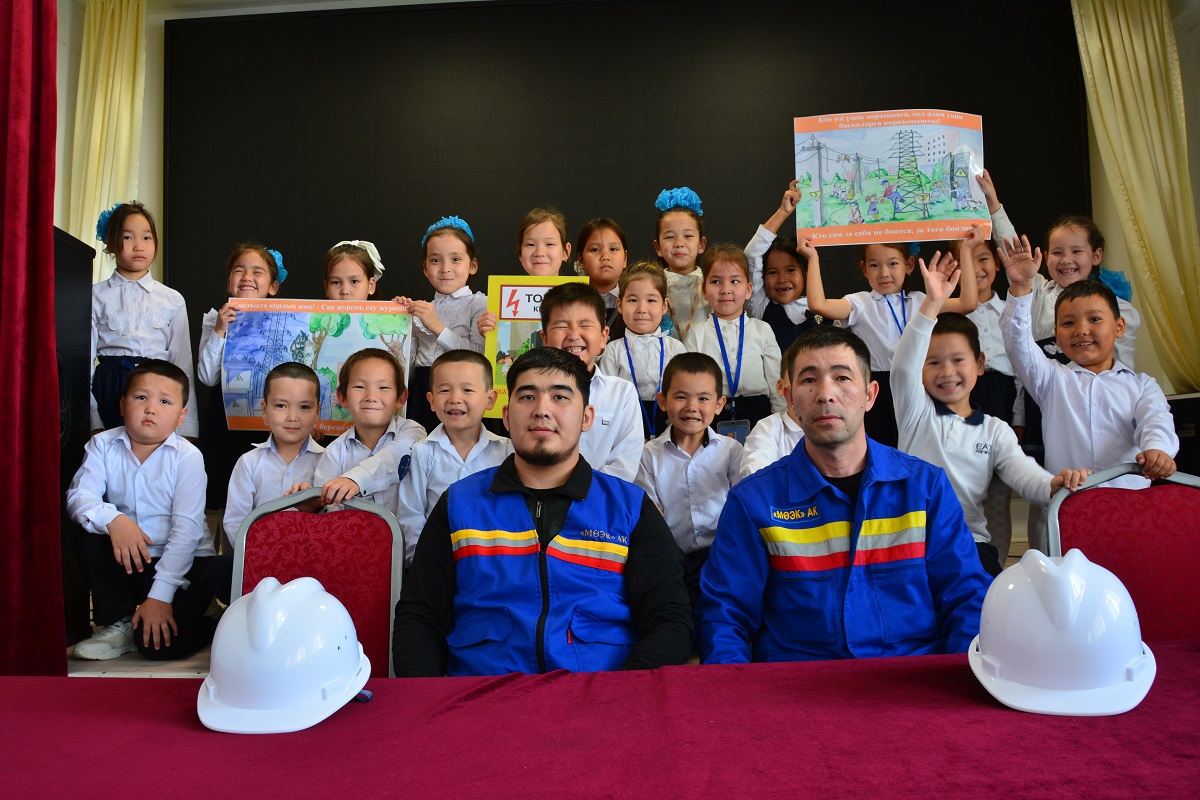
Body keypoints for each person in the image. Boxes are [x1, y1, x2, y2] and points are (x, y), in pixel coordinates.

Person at [695, 326, 991, 663]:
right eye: (809, 380)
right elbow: (724, 617)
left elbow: (966, 598)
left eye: (842, 377)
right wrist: (737, 691)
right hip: (798, 683)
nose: (825, 394)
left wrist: (957, 681)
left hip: (912, 677)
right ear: (790, 400)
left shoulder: (926, 488)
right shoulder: (753, 502)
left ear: (870, 395)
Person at [393, 346, 693, 676]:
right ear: (507, 416)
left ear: (587, 417)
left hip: (599, 695)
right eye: (527, 397)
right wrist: (434, 700)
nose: (541, 410)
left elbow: (670, 620)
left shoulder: (630, 508)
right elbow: (420, 617)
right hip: (481, 695)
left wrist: (618, 692)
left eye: (560, 397)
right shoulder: (459, 504)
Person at [891, 239, 1091, 576]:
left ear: (980, 364)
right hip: (911, 545)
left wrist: (1052, 484)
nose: (947, 372)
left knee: (984, 599)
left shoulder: (995, 431)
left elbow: (1023, 474)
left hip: (969, 544)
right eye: (933, 362)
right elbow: (902, 368)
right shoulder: (915, 413)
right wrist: (932, 304)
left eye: (958, 360)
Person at [998, 235, 1179, 552]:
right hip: (1067, 513)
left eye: (1094, 319)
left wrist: (1158, 449)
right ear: (1056, 334)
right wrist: (1021, 287)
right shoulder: (1051, 378)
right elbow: (1018, 345)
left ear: (1119, 327)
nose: (1081, 330)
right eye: (1068, 323)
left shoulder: (1142, 385)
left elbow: (1156, 420)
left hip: (1131, 508)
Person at [66, 359, 217, 660]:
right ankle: (120, 622)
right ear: (123, 405)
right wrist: (115, 519)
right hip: (132, 557)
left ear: (181, 416)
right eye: (141, 397)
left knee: (157, 647)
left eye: (164, 401)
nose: (150, 409)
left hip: (184, 562)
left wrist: (160, 597)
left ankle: (209, 619)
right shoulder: (102, 445)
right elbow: (78, 497)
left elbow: (186, 533)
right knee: (89, 537)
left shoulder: (187, 456)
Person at [805, 239, 978, 448]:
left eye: (893, 263)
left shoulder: (922, 302)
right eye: (874, 265)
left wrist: (967, 251)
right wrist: (812, 258)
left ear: (909, 265)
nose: (884, 273)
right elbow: (819, 305)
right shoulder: (859, 303)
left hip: (919, 386)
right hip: (877, 389)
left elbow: (968, 303)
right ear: (864, 269)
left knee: (920, 448)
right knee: (879, 448)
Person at [203, 362, 325, 604]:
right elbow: (235, 522)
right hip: (259, 560)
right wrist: (263, 555)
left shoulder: (328, 460)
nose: (292, 417)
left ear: (317, 411)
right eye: (281, 406)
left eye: (304, 407)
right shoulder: (249, 462)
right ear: (264, 410)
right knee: (219, 569)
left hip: (311, 563)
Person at [635, 352, 742, 607]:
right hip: (673, 559)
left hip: (722, 555)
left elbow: (742, 506)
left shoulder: (731, 450)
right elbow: (652, 515)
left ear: (719, 404)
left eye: (703, 398)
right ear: (663, 401)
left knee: (723, 607)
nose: (691, 407)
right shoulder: (648, 455)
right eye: (681, 397)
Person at [90, 201, 199, 437]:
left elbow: (182, 363)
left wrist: (187, 426)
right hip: (109, 386)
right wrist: (92, 421)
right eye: (128, 237)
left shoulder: (172, 299)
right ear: (111, 243)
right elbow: (84, 364)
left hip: (158, 387)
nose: (138, 246)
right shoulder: (95, 295)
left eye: (147, 238)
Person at [394, 350, 512, 567]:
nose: (455, 399)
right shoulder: (422, 452)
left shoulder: (507, 452)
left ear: (490, 399)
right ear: (431, 401)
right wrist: (425, 563)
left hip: (495, 565)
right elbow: (411, 516)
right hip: (436, 565)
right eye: (444, 390)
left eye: (467, 390)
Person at [195, 243, 283, 513]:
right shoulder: (216, 320)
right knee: (224, 489)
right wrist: (220, 331)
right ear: (229, 282)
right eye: (239, 270)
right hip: (225, 419)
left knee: (265, 491)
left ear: (273, 287)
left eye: (257, 271)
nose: (247, 277)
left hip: (270, 421)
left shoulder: (285, 319)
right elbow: (207, 377)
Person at [539, 281, 643, 480]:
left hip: (603, 496)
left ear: (604, 337)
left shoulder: (622, 394)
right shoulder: (533, 394)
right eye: (561, 326)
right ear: (544, 338)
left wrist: (582, 491)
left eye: (585, 325)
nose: (573, 335)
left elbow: (625, 464)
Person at [393, 216, 488, 433]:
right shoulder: (422, 308)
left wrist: (437, 327)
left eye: (455, 259)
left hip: (460, 388)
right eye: (435, 260)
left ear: (472, 265)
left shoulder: (479, 303)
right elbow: (409, 368)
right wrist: (399, 322)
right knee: (418, 442)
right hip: (421, 390)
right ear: (425, 268)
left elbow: (480, 355)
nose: (445, 268)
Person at [309, 348, 426, 517]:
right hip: (351, 533)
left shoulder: (413, 432)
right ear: (342, 397)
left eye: (383, 387)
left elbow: (394, 457)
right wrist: (313, 503)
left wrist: (355, 480)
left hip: (407, 534)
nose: (371, 396)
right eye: (359, 386)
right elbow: (328, 511)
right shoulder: (334, 452)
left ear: (401, 397)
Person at [683, 243, 785, 432]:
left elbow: (775, 379)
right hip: (711, 413)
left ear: (748, 289)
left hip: (759, 413)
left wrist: (780, 421)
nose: (725, 289)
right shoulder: (697, 333)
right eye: (716, 282)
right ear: (704, 290)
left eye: (735, 281)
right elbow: (690, 382)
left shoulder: (762, 330)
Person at [597, 261, 687, 439]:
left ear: (664, 306)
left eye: (651, 300)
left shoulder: (675, 348)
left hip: (671, 427)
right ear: (620, 305)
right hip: (625, 427)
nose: (641, 309)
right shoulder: (613, 350)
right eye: (632, 300)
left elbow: (684, 394)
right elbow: (608, 399)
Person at [745, 180, 822, 352]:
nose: (782, 279)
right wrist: (783, 212)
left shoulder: (822, 307)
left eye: (791, 270)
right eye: (772, 272)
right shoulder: (760, 307)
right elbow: (751, 254)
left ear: (806, 273)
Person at [475, 206, 574, 337]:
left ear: (566, 251)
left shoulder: (580, 299)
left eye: (549, 244)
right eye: (530, 245)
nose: (539, 252)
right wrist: (488, 333)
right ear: (519, 252)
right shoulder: (500, 301)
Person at [738, 337, 806, 481]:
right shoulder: (768, 429)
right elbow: (756, 481)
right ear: (781, 387)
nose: (819, 390)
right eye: (808, 379)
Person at [653, 186, 709, 341]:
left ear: (701, 244)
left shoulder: (711, 284)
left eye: (688, 236)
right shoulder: (653, 287)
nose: (679, 243)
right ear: (658, 247)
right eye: (670, 237)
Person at [574, 217, 629, 337]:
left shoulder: (634, 300)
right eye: (595, 250)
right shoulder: (570, 301)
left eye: (613, 249)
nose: (605, 257)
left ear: (625, 258)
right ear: (580, 260)